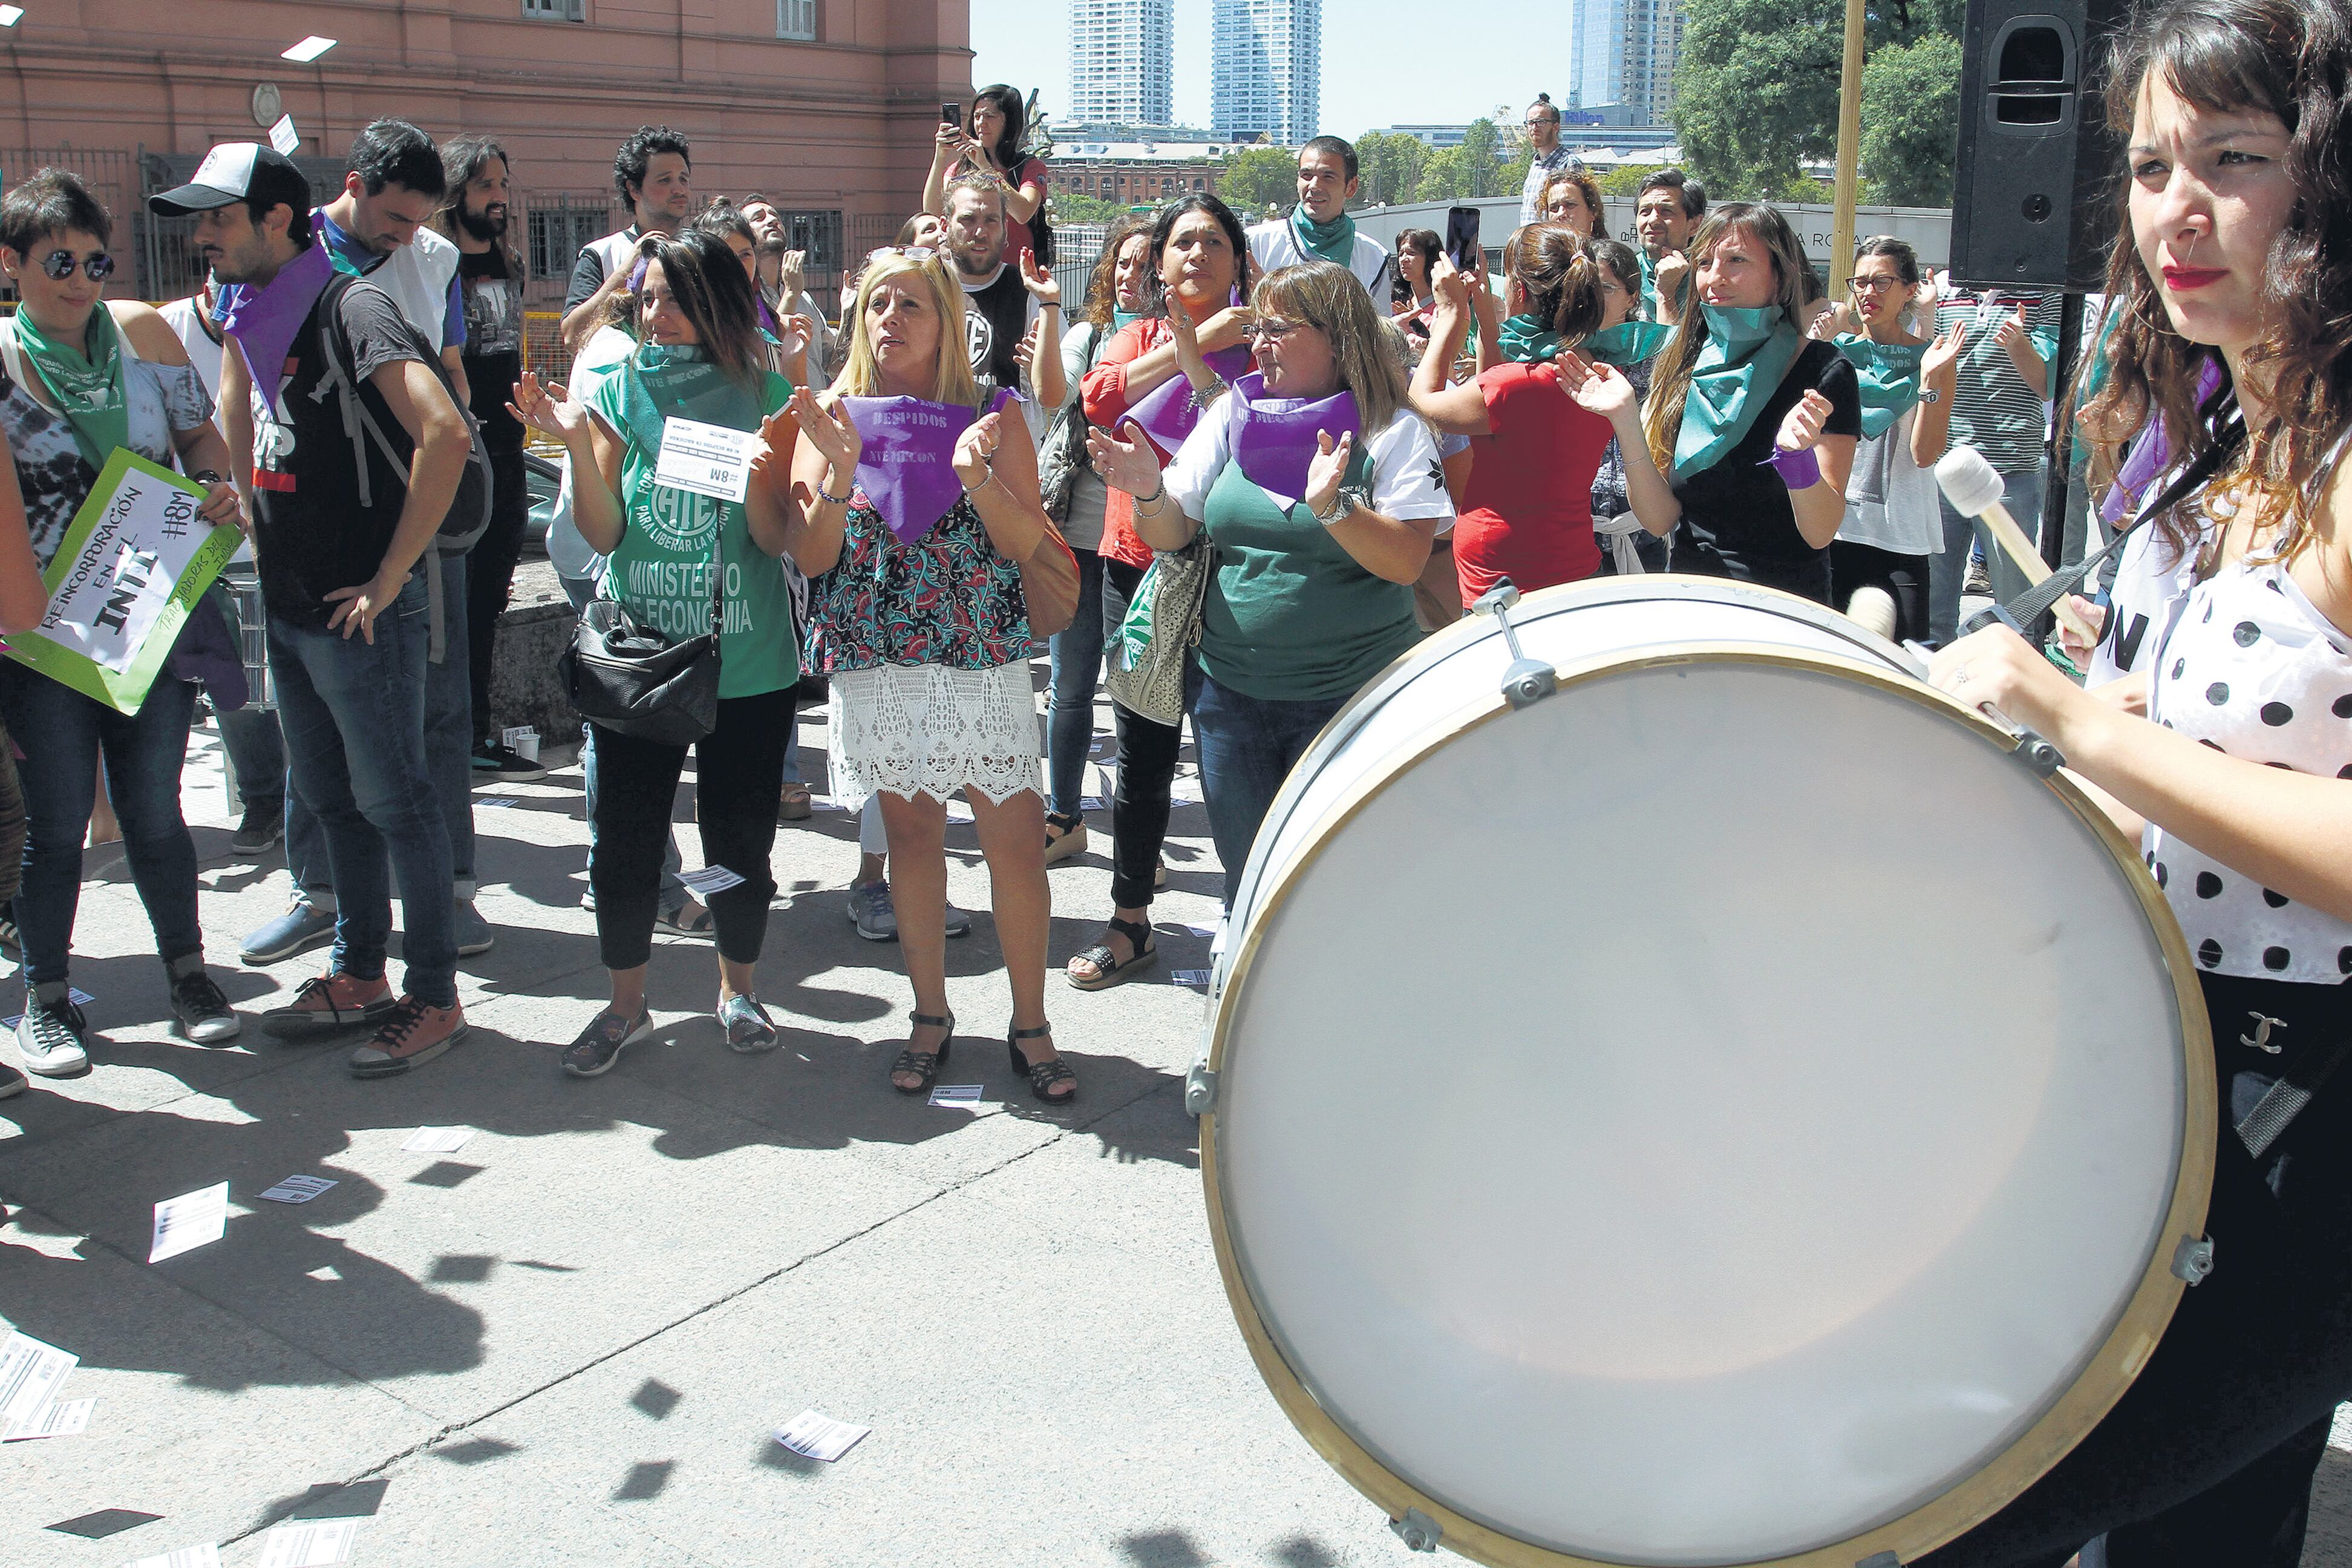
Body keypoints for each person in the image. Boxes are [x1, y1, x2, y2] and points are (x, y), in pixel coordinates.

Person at [1915, 2, 2352, 1561]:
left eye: (2234, 158)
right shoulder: (2235, 445)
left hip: (2307, 1112)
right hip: (2177, 1066)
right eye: (2155, 165)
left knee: (1947, 1516)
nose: (2178, 206)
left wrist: (2088, 728)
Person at [172, 142, 475, 1077]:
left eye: (220, 219)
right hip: (296, 606)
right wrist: (246, 508)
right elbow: (239, 406)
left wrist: (390, 577)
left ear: (277, 220)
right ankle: (360, 974)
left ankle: (434, 994)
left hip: (359, 614)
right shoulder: (247, 306)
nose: (204, 236)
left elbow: (445, 432)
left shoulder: (351, 307)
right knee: (335, 802)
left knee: (397, 803)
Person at [789, 248, 1076, 1103]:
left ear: (948, 319)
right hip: (881, 659)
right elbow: (812, 557)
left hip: (979, 656)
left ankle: (1032, 1025)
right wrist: (841, 474)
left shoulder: (993, 412)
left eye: (911, 304)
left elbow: (1025, 540)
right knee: (911, 841)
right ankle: (929, 1015)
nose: (890, 318)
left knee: (1013, 845)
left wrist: (974, 476)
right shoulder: (832, 414)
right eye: (878, 303)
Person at [510, 230, 800, 1075]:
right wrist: (574, 444)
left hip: (748, 662)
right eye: (644, 299)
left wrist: (760, 473)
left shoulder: (768, 394)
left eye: (674, 298)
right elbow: (603, 531)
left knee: (737, 847)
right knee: (627, 843)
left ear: (716, 303)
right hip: (640, 659)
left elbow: (774, 537)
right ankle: (625, 1006)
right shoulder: (619, 387)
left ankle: (737, 990)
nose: (655, 314)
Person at [1088, 259, 1454, 910]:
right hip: (1229, 699)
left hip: (1351, 701)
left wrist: (1336, 508)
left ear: (1338, 337)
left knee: (1345, 885)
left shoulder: (1394, 430)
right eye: (1256, 328)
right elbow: (1172, 533)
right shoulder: (1233, 412)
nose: (1257, 344)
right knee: (1251, 880)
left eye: (1277, 329)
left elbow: (1406, 561)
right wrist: (1146, 491)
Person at [228, 120, 494, 967]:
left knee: (431, 729)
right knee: (322, 760)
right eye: (395, 218)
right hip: (308, 549)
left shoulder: (426, 263)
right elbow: (240, 378)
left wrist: (396, 562)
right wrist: (247, 501)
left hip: (401, 534)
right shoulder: (282, 258)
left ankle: (445, 909)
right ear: (352, 185)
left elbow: (447, 402)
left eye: (420, 221)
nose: (407, 237)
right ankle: (328, 905)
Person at [0, 168, 246, 1072]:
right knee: (58, 822)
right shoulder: (1, 358)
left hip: (149, 615)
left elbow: (201, 439)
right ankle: (47, 1001)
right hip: (41, 636)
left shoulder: (143, 334)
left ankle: (190, 976)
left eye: (96, 261)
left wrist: (215, 484)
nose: (81, 281)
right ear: (11, 264)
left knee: (154, 809)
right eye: (59, 262)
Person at [1070, 194, 1258, 987]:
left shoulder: (1265, 338)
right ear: (1159, 262)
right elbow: (1098, 399)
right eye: (1183, 243)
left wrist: (1223, 346)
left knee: (1232, 754)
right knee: (1143, 752)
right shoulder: (1137, 337)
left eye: (1214, 242)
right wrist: (1194, 345)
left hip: (1232, 568)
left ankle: (1253, 922)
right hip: (1138, 564)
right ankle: (1130, 922)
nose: (1197, 255)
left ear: (1239, 260)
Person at [1629, 201, 1861, 604]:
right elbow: (1659, 520)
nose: (1714, 278)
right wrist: (1625, 422)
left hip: (1786, 611)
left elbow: (1820, 532)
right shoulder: (1678, 362)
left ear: (1780, 276)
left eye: (1736, 260)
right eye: (1704, 263)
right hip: (1691, 601)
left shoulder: (1825, 370)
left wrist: (1797, 459)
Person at [1409, 225, 1618, 604]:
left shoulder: (1517, 386)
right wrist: (1484, 315)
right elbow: (1496, 393)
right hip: (1570, 562)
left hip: (1504, 577)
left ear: (1519, 291)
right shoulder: (1597, 373)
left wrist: (1450, 313)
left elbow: (1421, 403)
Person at [163, 268, 287, 855]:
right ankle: (263, 799)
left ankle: (308, 800)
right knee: (234, 684)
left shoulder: (282, 325)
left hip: (275, 529)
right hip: (201, 541)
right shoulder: (166, 331)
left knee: (293, 679)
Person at [1041, 216, 1151, 870]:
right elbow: (1061, 398)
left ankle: (1141, 838)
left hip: (1147, 545)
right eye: (1122, 264)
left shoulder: (1182, 341)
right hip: (1080, 540)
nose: (1132, 276)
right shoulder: (1089, 337)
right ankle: (1064, 815)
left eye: (1145, 264)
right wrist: (1050, 315)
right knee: (1071, 686)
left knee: (1139, 696)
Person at [438, 134, 542, 785]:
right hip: (458, 453)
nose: (499, 197)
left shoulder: (511, 261)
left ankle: (475, 728)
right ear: (457, 193)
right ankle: (459, 733)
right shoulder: (435, 264)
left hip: (508, 450)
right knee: (459, 603)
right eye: (485, 186)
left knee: (491, 600)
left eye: (503, 185)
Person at [1815, 237, 1968, 644]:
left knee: (1904, 662)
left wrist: (1929, 382)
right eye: (1861, 282)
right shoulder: (1832, 354)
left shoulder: (1933, 359)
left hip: (1901, 536)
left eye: (1882, 282)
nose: (1869, 292)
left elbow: (1925, 454)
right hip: (1836, 532)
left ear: (1910, 290)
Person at [1924, 275, 2063, 645]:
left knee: (2015, 610)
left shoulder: (2045, 293)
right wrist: (1924, 312)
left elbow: (2047, 385)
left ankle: (2013, 678)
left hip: (2010, 470)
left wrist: (2018, 345)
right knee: (1933, 608)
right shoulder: (1945, 290)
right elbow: (1927, 366)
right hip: (1945, 469)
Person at [1583, 237, 1673, 575]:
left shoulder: (1656, 354)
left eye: (1606, 288)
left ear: (1633, 296)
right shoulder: (1562, 356)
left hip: (1642, 534)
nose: (1593, 298)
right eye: (1586, 288)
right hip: (1575, 535)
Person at [561, 126, 692, 358]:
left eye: (683, 179)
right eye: (665, 180)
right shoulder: (602, 254)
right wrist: (625, 272)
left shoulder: (700, 252)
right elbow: (573, 337)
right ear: (634, 189)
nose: (679, 189)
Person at [939, 175, 1064, 411]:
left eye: (991, 220)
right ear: (945, 227)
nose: (980, 232)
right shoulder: (927, 288)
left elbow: (1057, 399)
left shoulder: (1033, 295)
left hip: (1011, 430)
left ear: (1005, 228)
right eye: (968, 219)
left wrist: (1039, 370)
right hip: (942, 430)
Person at [1247, 137, 1394, 305]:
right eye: (1307, 175)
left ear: (1351, 187)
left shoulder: (1374, 258)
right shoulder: (1256, 244)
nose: (1314, 186)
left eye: (1328, 177)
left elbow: (1379, 320)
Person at [923, 85, 1051, 268]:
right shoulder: (959, 169)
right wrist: (940, 155)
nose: (982, 123)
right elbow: (932, 211)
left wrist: (986, 168)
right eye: (977, 116)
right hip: (966, 272)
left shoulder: (1029, 167)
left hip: (1016, 272)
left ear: (1009, 122)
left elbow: (1023, 213)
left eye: (990, 116)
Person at [1635, 168, 1706, 324]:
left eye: (1666, 211)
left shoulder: (1708, 281)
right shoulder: (1619, 273)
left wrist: (1666, 294)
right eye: (1645, 211)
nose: (1653, 220)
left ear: (1695, 225)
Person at [1518, 93, 1586, 229]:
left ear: (1556, 127)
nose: (1534, 127)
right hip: (1529, 241)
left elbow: (1578, 215)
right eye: (1530, 123)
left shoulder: (1569, 163)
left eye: (1541, 122)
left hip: (1554, 241)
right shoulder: (1535, 165)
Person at [1540, 167, 1606, 243]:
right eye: (1554, 208)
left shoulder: (1607, 250)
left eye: (1570, 205)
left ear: (1593, 212)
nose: (1561, 214)